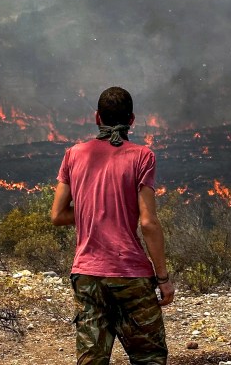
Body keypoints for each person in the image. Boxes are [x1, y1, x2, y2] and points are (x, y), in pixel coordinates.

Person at [51, 86, 174, 365]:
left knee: (91, 360)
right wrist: (163, 279)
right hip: (130, 274)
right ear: (132, 120)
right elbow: (148, 222)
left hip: (87, 274)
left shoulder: (74, 154)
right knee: (149, 357)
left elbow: (57, 214)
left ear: (97, 118)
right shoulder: (142, 156)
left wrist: (92, 210)